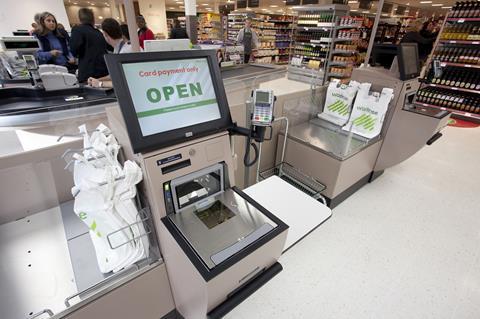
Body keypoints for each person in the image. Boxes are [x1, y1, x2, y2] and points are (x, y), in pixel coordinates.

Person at [87, 19, 131, 88]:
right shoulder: (119, 48)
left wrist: (100, 84)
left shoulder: (125, 51)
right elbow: (114, 75)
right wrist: (96, 80)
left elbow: (125, 82)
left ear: (105, 34)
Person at [70, 8, 109, 83]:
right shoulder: (98, 33)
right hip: (102, 70)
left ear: (80, 18)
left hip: (87, 71)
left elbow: (74, 50)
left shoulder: (77, 30)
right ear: (93, 19)